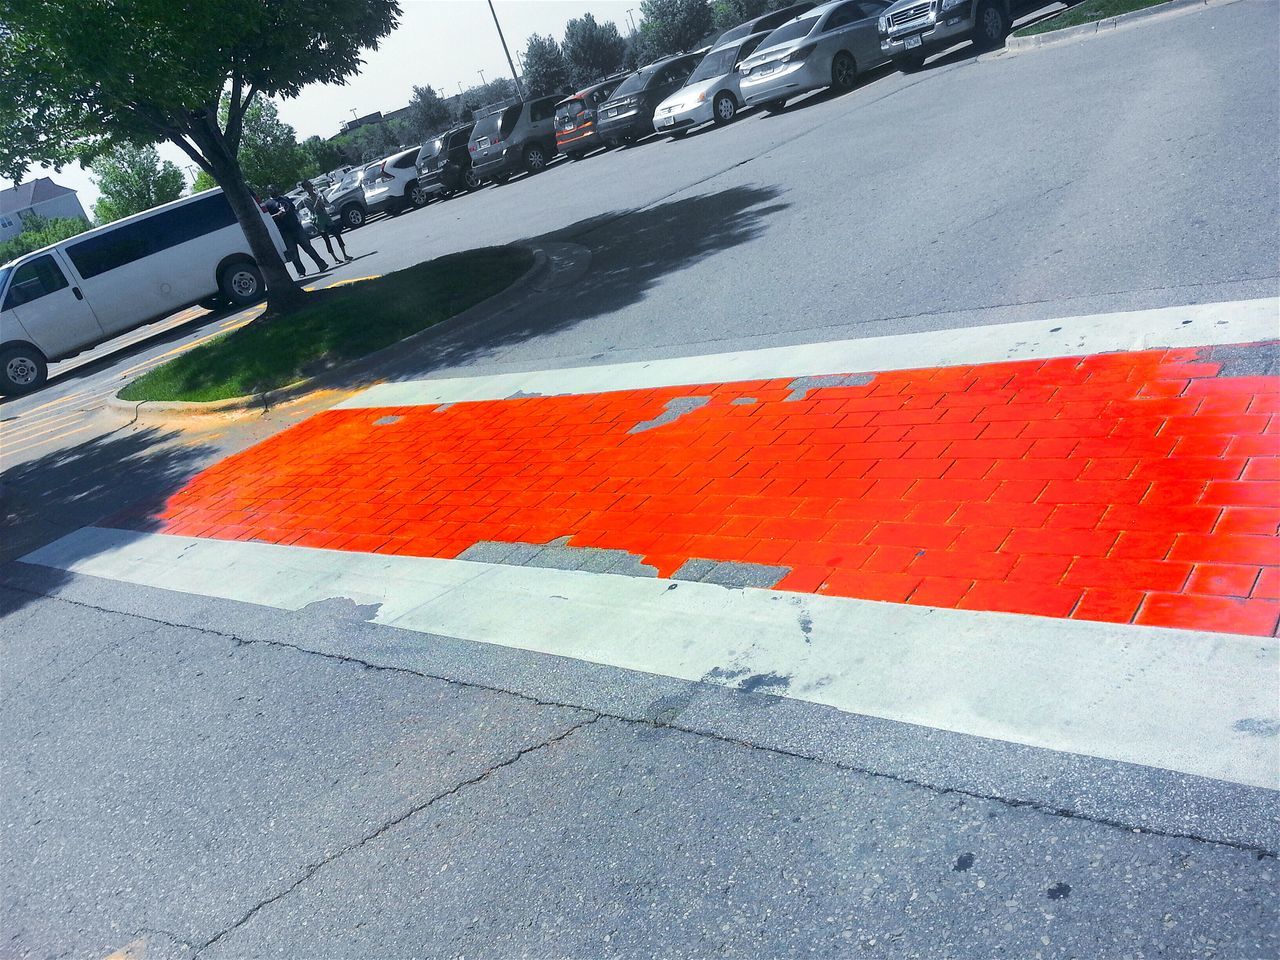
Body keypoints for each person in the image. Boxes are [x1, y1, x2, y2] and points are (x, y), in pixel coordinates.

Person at [264, 185, 327, 277]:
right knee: (293, 253)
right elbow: (268, 219)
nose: (273, 190)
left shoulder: (285, 198)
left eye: (274, 188)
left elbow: (294, 209)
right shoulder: (268, 204)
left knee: (308, 246)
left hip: (296, 227)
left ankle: (321, 264)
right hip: (284, 231)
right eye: (271, 189)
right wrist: (277, 215)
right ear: (268, 192)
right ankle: (301, 272)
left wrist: (298, 219)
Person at [300, 180, 352, 263]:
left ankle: (345, 255)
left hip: (326, 217)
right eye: (308, 186)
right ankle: (335, 258)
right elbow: (313, 210)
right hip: (319, 221)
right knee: (326, 239)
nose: (311, 188)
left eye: (311, 185)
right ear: (305, 189)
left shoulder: (318, 194)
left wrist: (330, 206)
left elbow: (326, 203)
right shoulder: (305, 200)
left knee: (337, 235)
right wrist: (317, 201)